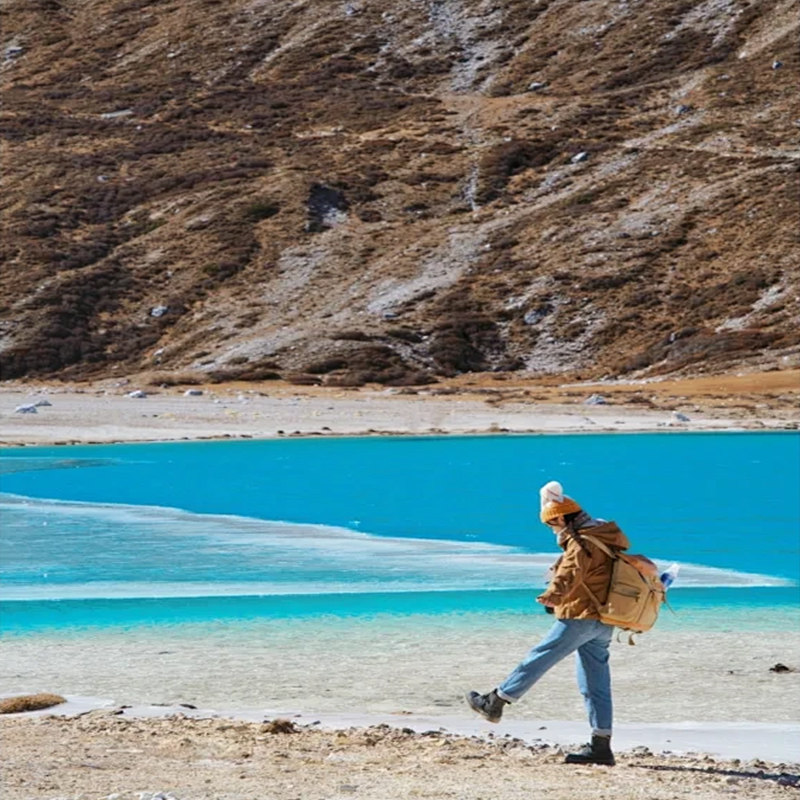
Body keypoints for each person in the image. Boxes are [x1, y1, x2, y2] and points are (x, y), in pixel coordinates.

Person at [465, 479, 630, 766]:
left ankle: (495, 702)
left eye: (552, 524)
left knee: (539, 657)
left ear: (563, 518)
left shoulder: (581, 542)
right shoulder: (602, 535)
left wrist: (550, 597)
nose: (552, 529)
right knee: (595, 683)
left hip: (581, 615)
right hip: (605, 619)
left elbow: (570, 573)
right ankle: (601, 745)